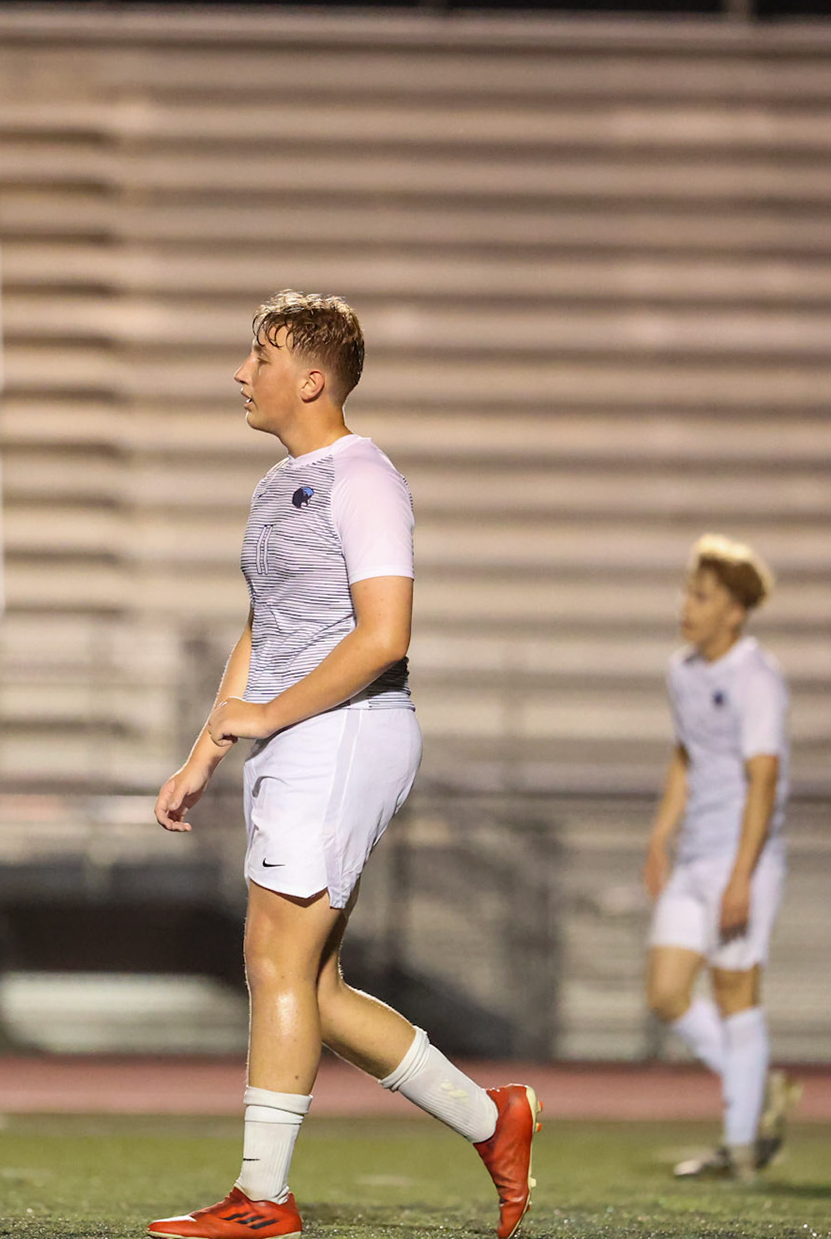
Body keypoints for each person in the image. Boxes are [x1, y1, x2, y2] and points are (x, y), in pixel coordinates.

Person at [147, 291, 540, 1239]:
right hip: (303, 731)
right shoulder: (278, 485)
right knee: (310, 985)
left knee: (272, 960)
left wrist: (271, 715)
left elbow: (385, 634)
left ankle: (263, 1200)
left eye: (261, 356)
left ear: (311, 379)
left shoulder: (364, 477)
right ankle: (496, 1123)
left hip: (347, 725)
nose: (243, 373)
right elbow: (267, 626)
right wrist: (208, 748)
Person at [644, 535, 803, 1181]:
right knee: (666, 993)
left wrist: (742, 876)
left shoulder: (757, 678)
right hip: (695, 860)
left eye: (702, 596)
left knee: (736, 995)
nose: (689, 604)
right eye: (689, 591)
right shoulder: (682, 671)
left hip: (745, 862)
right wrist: (660, 837)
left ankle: (741, 1149)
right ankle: (755, 1085)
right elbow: (687, 755)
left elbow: (763, 779)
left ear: (734, 611)